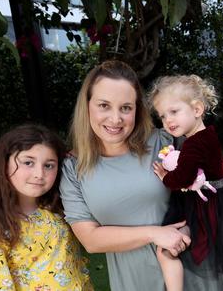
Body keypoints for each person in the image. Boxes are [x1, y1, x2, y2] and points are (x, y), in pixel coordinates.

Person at [59, 60, 191, 291]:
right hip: (133, 282)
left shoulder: (164, 142)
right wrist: (153, 234)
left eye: (126, 108)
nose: (115, 119)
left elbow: (217, 178)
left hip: (189, 271)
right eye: (104, 105)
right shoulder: (73, 168)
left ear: (137, 110)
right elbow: (90, 240)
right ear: (87, 105)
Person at [148, 74, 223, 291]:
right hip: (219, 196)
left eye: (174, 112)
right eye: (163, 116)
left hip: (207, 204)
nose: (168, 121)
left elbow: (182, 178)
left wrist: (165, 176)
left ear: (196, 110)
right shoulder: (208, 134)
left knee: (177, 247)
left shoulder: (193, 144)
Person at [0, 124, 92, 290]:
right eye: (28, 162)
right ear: (4, 164)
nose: (39, 174)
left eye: (48, 165)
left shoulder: (60, 207)